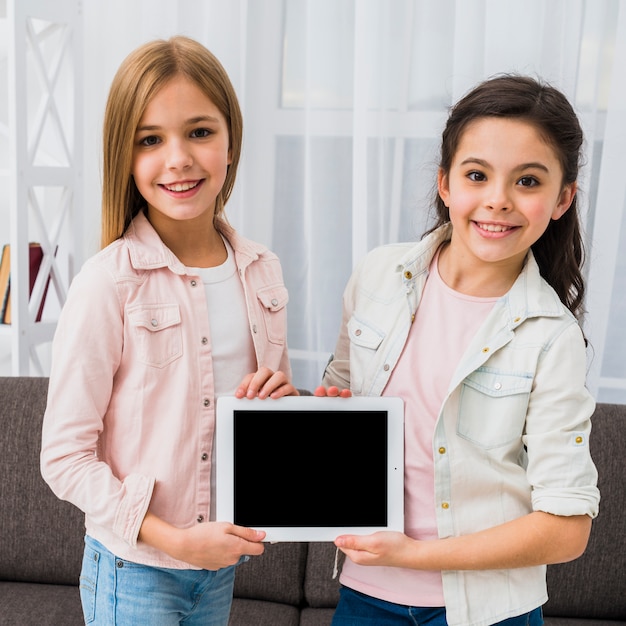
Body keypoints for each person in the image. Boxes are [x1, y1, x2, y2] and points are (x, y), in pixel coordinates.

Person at [318, 74, 600, 626]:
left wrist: (416, 556)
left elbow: (568, 529)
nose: (497, 200)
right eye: (477, 175)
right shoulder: (378, 274)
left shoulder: (551, 335)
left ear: (562, 198)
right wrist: (296, 407)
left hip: (486, 611)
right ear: (446, 183)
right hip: (365, 596)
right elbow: (340, 406)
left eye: (527, 181)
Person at [40, 36, 297, 625]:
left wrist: (284, 404)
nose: (178, 158)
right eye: (150, 140)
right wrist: (174, 540)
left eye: (200, 132)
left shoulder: (264, 272)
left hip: (220, 568)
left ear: (230, 140)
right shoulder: (109, 283)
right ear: (125, 158)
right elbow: (65, 457)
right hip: (134, 571)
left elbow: (257, 419)